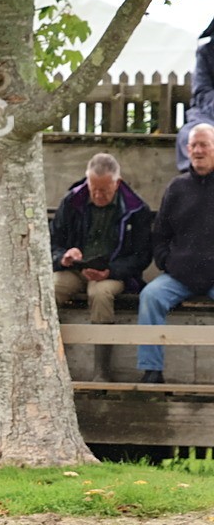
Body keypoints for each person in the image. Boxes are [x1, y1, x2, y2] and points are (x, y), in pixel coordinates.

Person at [50, 153, 152, 381]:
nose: (97, 195)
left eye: (104, 190)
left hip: (112, 272)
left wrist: (111, 271)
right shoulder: (72, 201)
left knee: (100, 293)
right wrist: (63, 256)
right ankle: (49, 363)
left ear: (117, 183)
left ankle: (101, 372)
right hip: (76, 269)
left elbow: (142, 256)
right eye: (93, 188)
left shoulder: (137, 209)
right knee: (51, 289)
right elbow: (52, 241)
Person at [137, 123, 214, 384]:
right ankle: (152, 371)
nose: (198, 150)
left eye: (204, 145)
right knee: (150, 296)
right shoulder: (176, 188)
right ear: (187, 149)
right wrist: (167, 262)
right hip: (179, 276)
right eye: (194, 145)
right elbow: (160, 235)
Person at [175, 18, 214, 171]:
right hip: (208, 114)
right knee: (190, 135)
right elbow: (201, 90)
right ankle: (196, 177)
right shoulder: (206, 52)